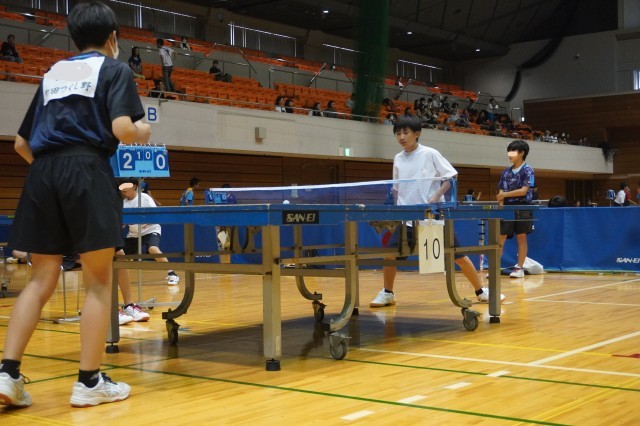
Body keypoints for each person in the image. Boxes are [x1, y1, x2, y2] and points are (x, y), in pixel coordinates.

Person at [0, 0, 151, 408]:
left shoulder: (53, 73)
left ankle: (7, 375)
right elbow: (123, 129)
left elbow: (21, 144)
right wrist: (144, 128)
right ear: (113, 37)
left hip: (42, 173)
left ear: (74, 37)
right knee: (98, 280)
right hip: (86, 169)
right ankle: (89, 382)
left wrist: (53, 174)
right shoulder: (116, 69)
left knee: (39, 279)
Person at [369, 116, 503, 308]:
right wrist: (397, 210)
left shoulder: (430, 153)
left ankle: (481, 291)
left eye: (406, 132)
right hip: (407, 219)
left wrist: (436, 195)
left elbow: (451, 177)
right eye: (398, 133)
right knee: (389, 255)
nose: (401, 137)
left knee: (458, 256)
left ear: (417, 133)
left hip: (433, 218)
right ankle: (388, 293)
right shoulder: (398, 158)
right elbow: (396, 187)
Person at [119, 181, 180, 286]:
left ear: (134, 186)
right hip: (134, 234)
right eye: (121, 186)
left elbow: (154, 215)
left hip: (150, 230)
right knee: (119, 253)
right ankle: (119, 278)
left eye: (126, 186)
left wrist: (141, 221)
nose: (123, 189)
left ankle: (172, 274)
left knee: (153, 248)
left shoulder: (145, 198)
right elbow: (123, 223)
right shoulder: (123, 204)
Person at [496, 139, 535, 278]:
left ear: (522, 153)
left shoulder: (528, 170)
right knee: (501, 236)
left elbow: (524, 191)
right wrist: (501, 205)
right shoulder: (506, 172)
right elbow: (500, 190)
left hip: (523, 206)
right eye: (508, 151)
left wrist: (504, 195)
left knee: (521, 236)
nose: (509, 154)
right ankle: (495, 267)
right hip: (507, 208)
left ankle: (519, 268)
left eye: (512, 151)